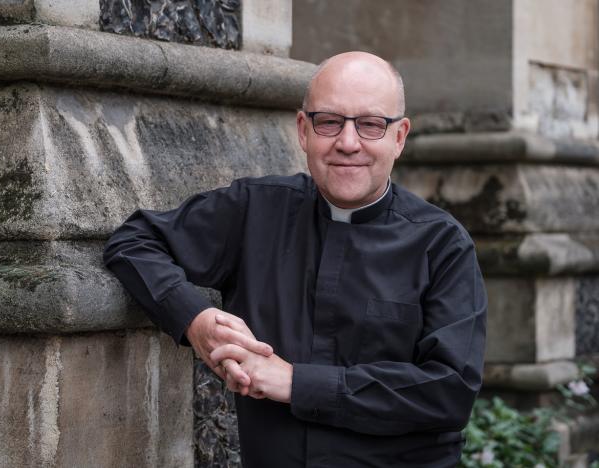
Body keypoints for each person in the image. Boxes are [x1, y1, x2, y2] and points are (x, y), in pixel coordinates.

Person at [103, 51, 487, 467]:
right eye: (330, 121)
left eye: (371, 125)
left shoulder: (443, 244)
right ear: (303, 130)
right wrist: (195, 321)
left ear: (400, 136)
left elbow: (449, 391)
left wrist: (296, 382)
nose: (348, 142)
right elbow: (133, 241)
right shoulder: (254, 210)